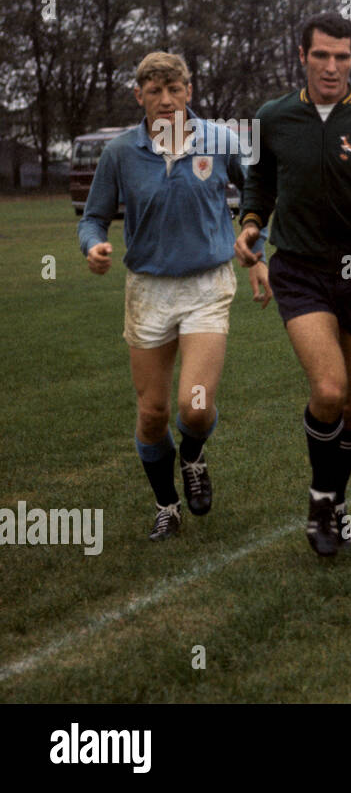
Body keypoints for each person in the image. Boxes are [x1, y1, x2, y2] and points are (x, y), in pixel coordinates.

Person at [235, 11, 351, 556]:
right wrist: (250, 223)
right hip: (300, 268)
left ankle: (337, 496)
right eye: (321, 55)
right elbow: (259, 180)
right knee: (329, 390)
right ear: (301, 56)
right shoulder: (273, 116)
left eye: (342, 56)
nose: (332, 66)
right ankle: (321, 499)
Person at [79, 51, 268, 540]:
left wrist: (255, 247)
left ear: (189, 91)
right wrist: (92, 246)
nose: (166, 100)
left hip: (207, 286)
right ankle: (166, 504)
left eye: (175, 89)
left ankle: (194, 455)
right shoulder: (120, 152)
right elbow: (94, 216)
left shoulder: (221, 140)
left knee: (196, 407)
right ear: (139, 95)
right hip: (148, 291)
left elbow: (256, 198)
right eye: (155, 91)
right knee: (153, 413)